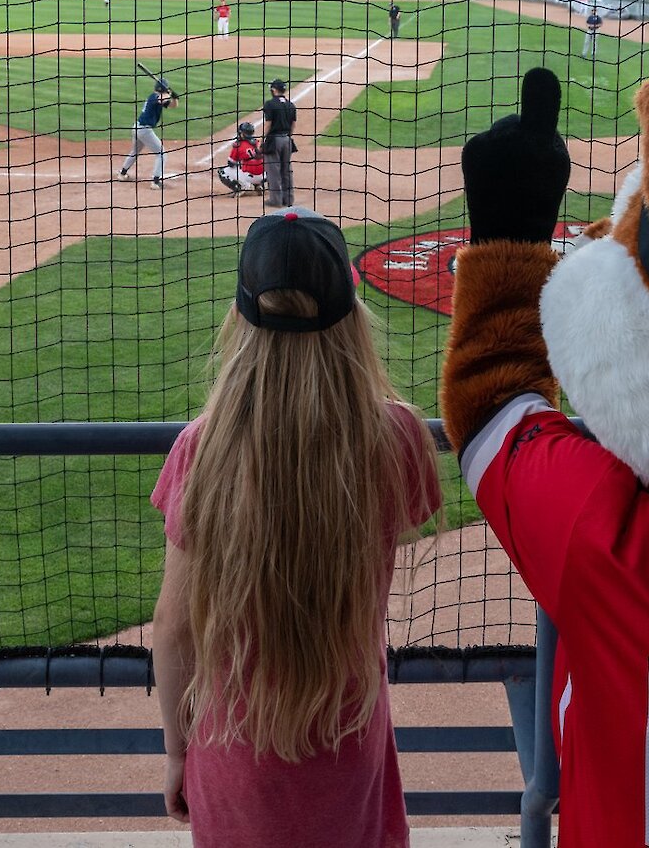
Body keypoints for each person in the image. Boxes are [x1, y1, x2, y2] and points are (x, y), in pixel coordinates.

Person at [150, 207, 442, 848]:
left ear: (240, 315)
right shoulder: (397, 439)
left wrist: (177, 755)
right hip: (347, 745)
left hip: (232, 760)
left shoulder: (204, 450)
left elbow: (172, 631)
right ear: (351, 310)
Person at [120, 79, 176, 188]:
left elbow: (173, 105)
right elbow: (161, 99)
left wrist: (174, 97)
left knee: (135, 151)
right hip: (144, 130)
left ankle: (122, 173)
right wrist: (170, 94)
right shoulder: (154, 97)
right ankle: (155, 182)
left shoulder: (156, 96)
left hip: (137, 128)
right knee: (161, 154)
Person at [260, 78, 298, 209]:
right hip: (287, 139)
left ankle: (275, 200)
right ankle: (288, 199)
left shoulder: (270, 104)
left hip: (274, 140)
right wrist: (288, 137)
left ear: (274, 90)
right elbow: (293, 124)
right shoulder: (290, 104)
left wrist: (263, 139)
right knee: (286, 170)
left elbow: (268, 124)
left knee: (273, 171)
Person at [216, 122, 267, 193]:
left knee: (222, 171)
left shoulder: (238, 145)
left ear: (242, 134)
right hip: (264, 176)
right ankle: (259, 185)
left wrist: (240, 160)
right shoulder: (258, 142)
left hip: (249, 176)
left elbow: (231, 163)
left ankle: (241, 187)